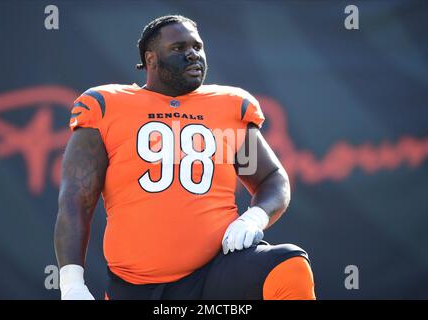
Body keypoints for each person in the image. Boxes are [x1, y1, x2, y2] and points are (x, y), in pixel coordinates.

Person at [54, 15, 315, 300]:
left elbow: (271, 179)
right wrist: (71, 283)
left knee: (289, 267)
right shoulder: (107, 106)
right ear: (151, 59)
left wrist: (254, 217)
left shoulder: (228, 108)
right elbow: (76, 199)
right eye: (178, 48)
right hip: (138, 285)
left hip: (217, 270)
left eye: (197, 46)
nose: (192, 54)